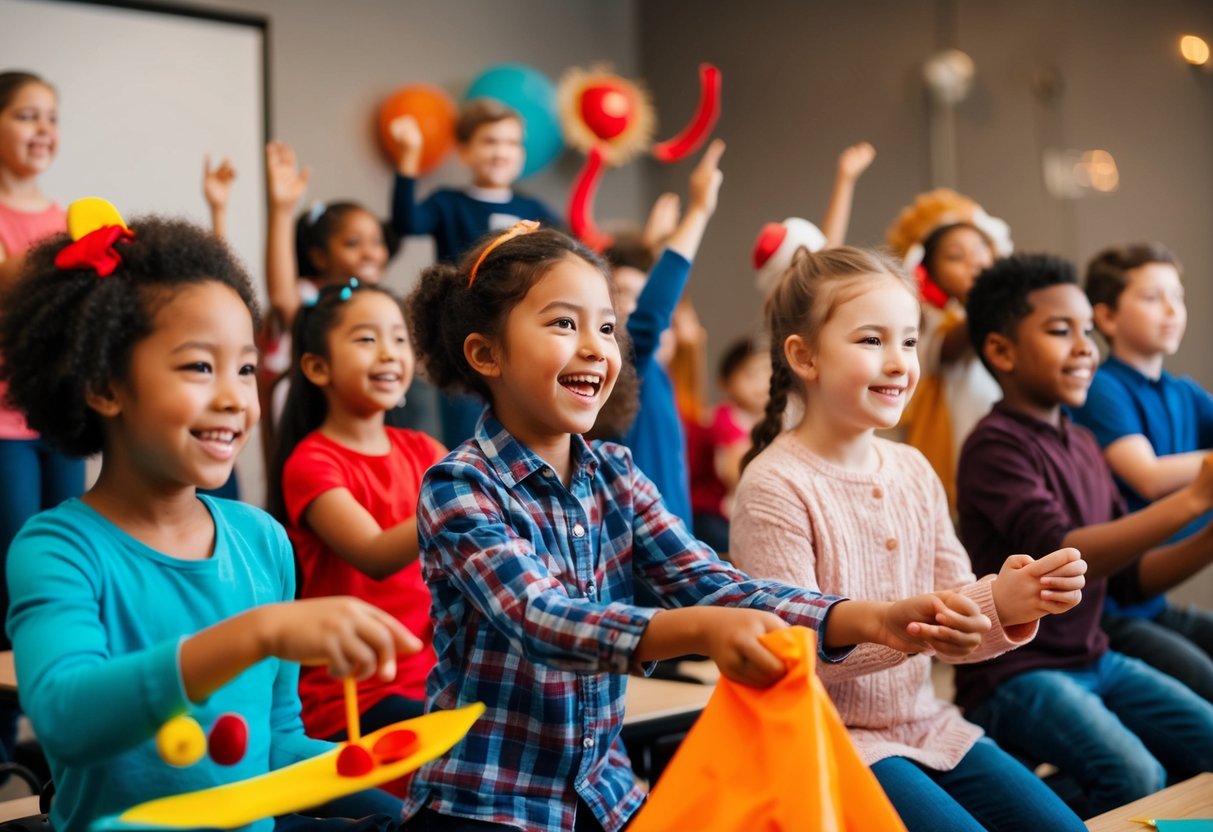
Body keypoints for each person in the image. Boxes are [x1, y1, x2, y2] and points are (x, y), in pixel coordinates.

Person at [401, 223, 994, 832]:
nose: (594, 347)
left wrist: (874, 619)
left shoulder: (615, 474)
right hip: (484, 803)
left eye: (606, 327)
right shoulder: (459, 485)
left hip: (603, 800)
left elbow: (720, 587)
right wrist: (700, 630)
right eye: (562, 323)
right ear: (486, 353)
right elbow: (543, 620)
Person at [0, 210, 417, 831]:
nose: (234, 398)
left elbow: (274, 743)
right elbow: (65, 718)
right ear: (105, 387)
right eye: (200, 367)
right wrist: (258, 633)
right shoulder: (58, 549)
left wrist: (382, 770)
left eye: (246, 369)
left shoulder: (262, 542)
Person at [730, 246, 1087, 832]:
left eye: (909, 341)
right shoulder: (775, 483)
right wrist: (913, 625)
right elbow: (793, 656)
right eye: (872, 341)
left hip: (927, 723)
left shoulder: (914, 470)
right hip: (829, 739)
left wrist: (1003, 604)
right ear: (805, 356)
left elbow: (955, 623)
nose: (899, 362)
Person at [957, 253, 1213, 817]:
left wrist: (1207, 534)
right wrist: (1194, 496)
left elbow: (1129, 581)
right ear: (1001, 351)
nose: (1084, 348)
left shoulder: (1082, 445)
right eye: (1059, 331)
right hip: (1016, 672)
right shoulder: (995, 445)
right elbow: (1063, 553)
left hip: (1094, 656)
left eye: (1087, 332)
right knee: (1137, 775)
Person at [267, 279, 445, 750]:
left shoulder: (425, 450)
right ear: (317, 367)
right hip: (354, 695)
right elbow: (374, 554)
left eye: (399, 338)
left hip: (432, 677)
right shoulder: (311, 463)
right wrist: (463, 501)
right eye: (367, 339)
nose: (389, 353)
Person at [1071, 242, 1213, 701]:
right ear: (1107, 318)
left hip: (1152, 599)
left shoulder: (1184, 391)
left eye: (1178, 296)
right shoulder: (1101, 386)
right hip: (1110, 604)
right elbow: (1147, 475)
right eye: (1153, 298)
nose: (1172, 310)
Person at [390, 99, 560, 448]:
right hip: (461, 338)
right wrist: (408, 157)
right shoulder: (448, 202)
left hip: (520, 336)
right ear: (464, 152)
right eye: (490, 141)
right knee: (466, 432)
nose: (501, 151)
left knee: (521, 427)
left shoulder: (535, 210)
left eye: (511, 143)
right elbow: (407, 222)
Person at [0, 70, 84, 764]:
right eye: (26, 114)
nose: (43, 129)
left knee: (68, 572)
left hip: (59, 419)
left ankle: (66, 734)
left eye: (51, 117)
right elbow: (20, 287)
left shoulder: (65, 219)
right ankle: (4, 742)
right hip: (4, 426)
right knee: (11, 572)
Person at [260, 140, 420, 439]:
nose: (371, 252)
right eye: (353, 243)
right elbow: (282, 296)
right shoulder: (311, 297)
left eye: (377, 241)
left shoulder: (380, 303)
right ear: (319, 256)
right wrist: (282, 210)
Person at [886, 190, 1010, 505]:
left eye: (982, 250)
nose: (975, 262)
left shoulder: (1005, 314)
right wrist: (986, 296)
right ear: (927, 271)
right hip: (954, 444)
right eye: (956, 257)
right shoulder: (925, 321)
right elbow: (951, 346)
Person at [687, 336, 769, 553]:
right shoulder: (725, 418)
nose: (761, 383)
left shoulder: (771, 423)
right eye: (751, 375)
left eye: (768, 374)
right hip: (711, 510)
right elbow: (734, 474)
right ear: (725, 382)